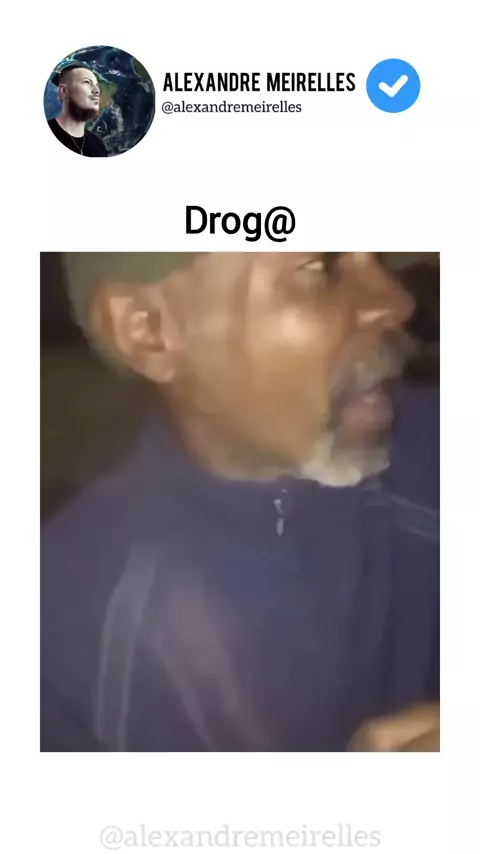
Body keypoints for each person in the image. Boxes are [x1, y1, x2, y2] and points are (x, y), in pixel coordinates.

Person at [41, 252, 440, 752]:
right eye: (321, 267)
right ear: (147, 330)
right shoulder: (58, 640)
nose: (395, 302)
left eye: (378, 256)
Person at [47, 63, 108, 157]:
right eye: (87, 82)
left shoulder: (98, 144)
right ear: (64, 91)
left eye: (97, 85)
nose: (97, 91)